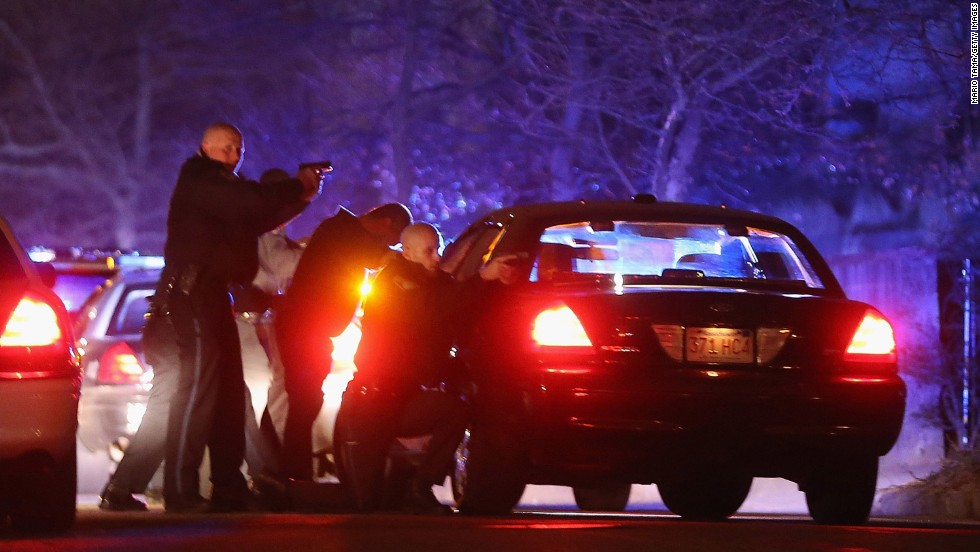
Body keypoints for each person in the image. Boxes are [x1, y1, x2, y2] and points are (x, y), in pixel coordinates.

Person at [159, 122, 321, 513]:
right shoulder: (202, 179)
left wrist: (302, 197)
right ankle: (180, 488)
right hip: (192, 292)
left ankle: (228, 483)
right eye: (225, 147)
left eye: (238, 148)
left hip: (212, 294)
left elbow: (255, 216)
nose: (233, 155)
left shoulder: (219, 187)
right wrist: (295, 186)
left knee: (230, 391)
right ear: (205, 147)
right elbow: (249, 204)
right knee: (197, 388)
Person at [274, 202, 412, 483]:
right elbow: (376, 257)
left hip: (309, 331)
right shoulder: (341, 232)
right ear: (386, 224)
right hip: (303, 329)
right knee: (304, 403)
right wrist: (408, 258)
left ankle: (293, 472)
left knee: (306, 403)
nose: (389, 244)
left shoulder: (341, 231)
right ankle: (292, 474)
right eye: (393, 238)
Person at [338, 222, 466, 515]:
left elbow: (454, 301)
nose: (437, 257)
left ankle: (421, 486)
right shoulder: (394, 282)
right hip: (374, 402)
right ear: (407, 252)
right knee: (366, 505)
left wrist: (484, 282)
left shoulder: (430, 281)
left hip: (401, 400)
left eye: (439, 248)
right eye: (429, 251)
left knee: (455, 411)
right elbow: (428, 310)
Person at [97, 297, 179, 511]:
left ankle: (122, 487)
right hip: (176, 327)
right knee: (165, 414)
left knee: (167, 414)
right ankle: (121, 488)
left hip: (170, 325)